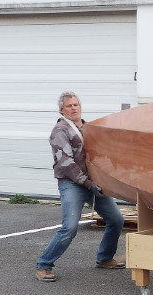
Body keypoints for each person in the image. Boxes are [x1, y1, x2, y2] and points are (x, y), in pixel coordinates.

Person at [35, 92, 125, 282]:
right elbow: (66, 163)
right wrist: (88, 183)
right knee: (69, 227)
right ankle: (44, 265)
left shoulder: (88, 128)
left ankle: (105, 258)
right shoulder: (60, 131)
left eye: (76, 104)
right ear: (62, 110)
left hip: (93, 183)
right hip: (72, 184)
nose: (74, 108)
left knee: (116, 220)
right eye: (69, 106)